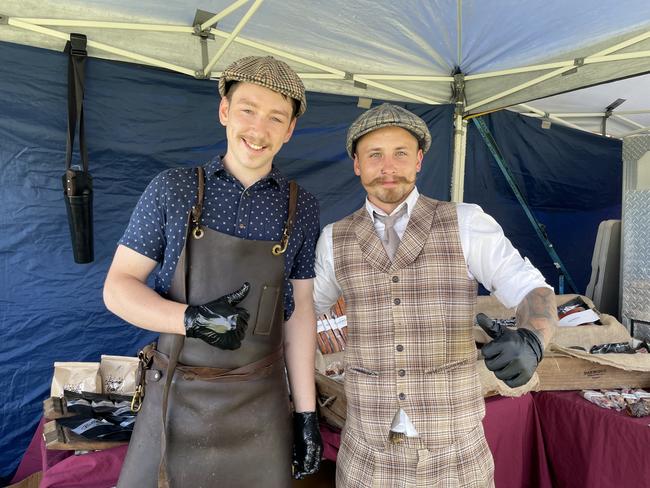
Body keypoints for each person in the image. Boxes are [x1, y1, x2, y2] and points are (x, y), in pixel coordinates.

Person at [103, 55, 322, 487]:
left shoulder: (303, 207)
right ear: (224, 111)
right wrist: (191, 320)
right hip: (176, 396)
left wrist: (306, 413)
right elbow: (117, 287)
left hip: (261, 404)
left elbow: (300, 311)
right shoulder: (173, 188)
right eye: (248, 110)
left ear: (290, 130)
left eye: (276, 118)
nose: (258, 130)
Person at [313, 103, 558, 487]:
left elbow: (532, 288)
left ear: (419, 160)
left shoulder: (465, 222)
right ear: (357, 164)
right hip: (367, 455)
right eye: (374, 154)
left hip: (456, 451)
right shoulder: (334, 238)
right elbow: (302, 311)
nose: (388, 165)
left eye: (400, 153)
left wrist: (533, 340)